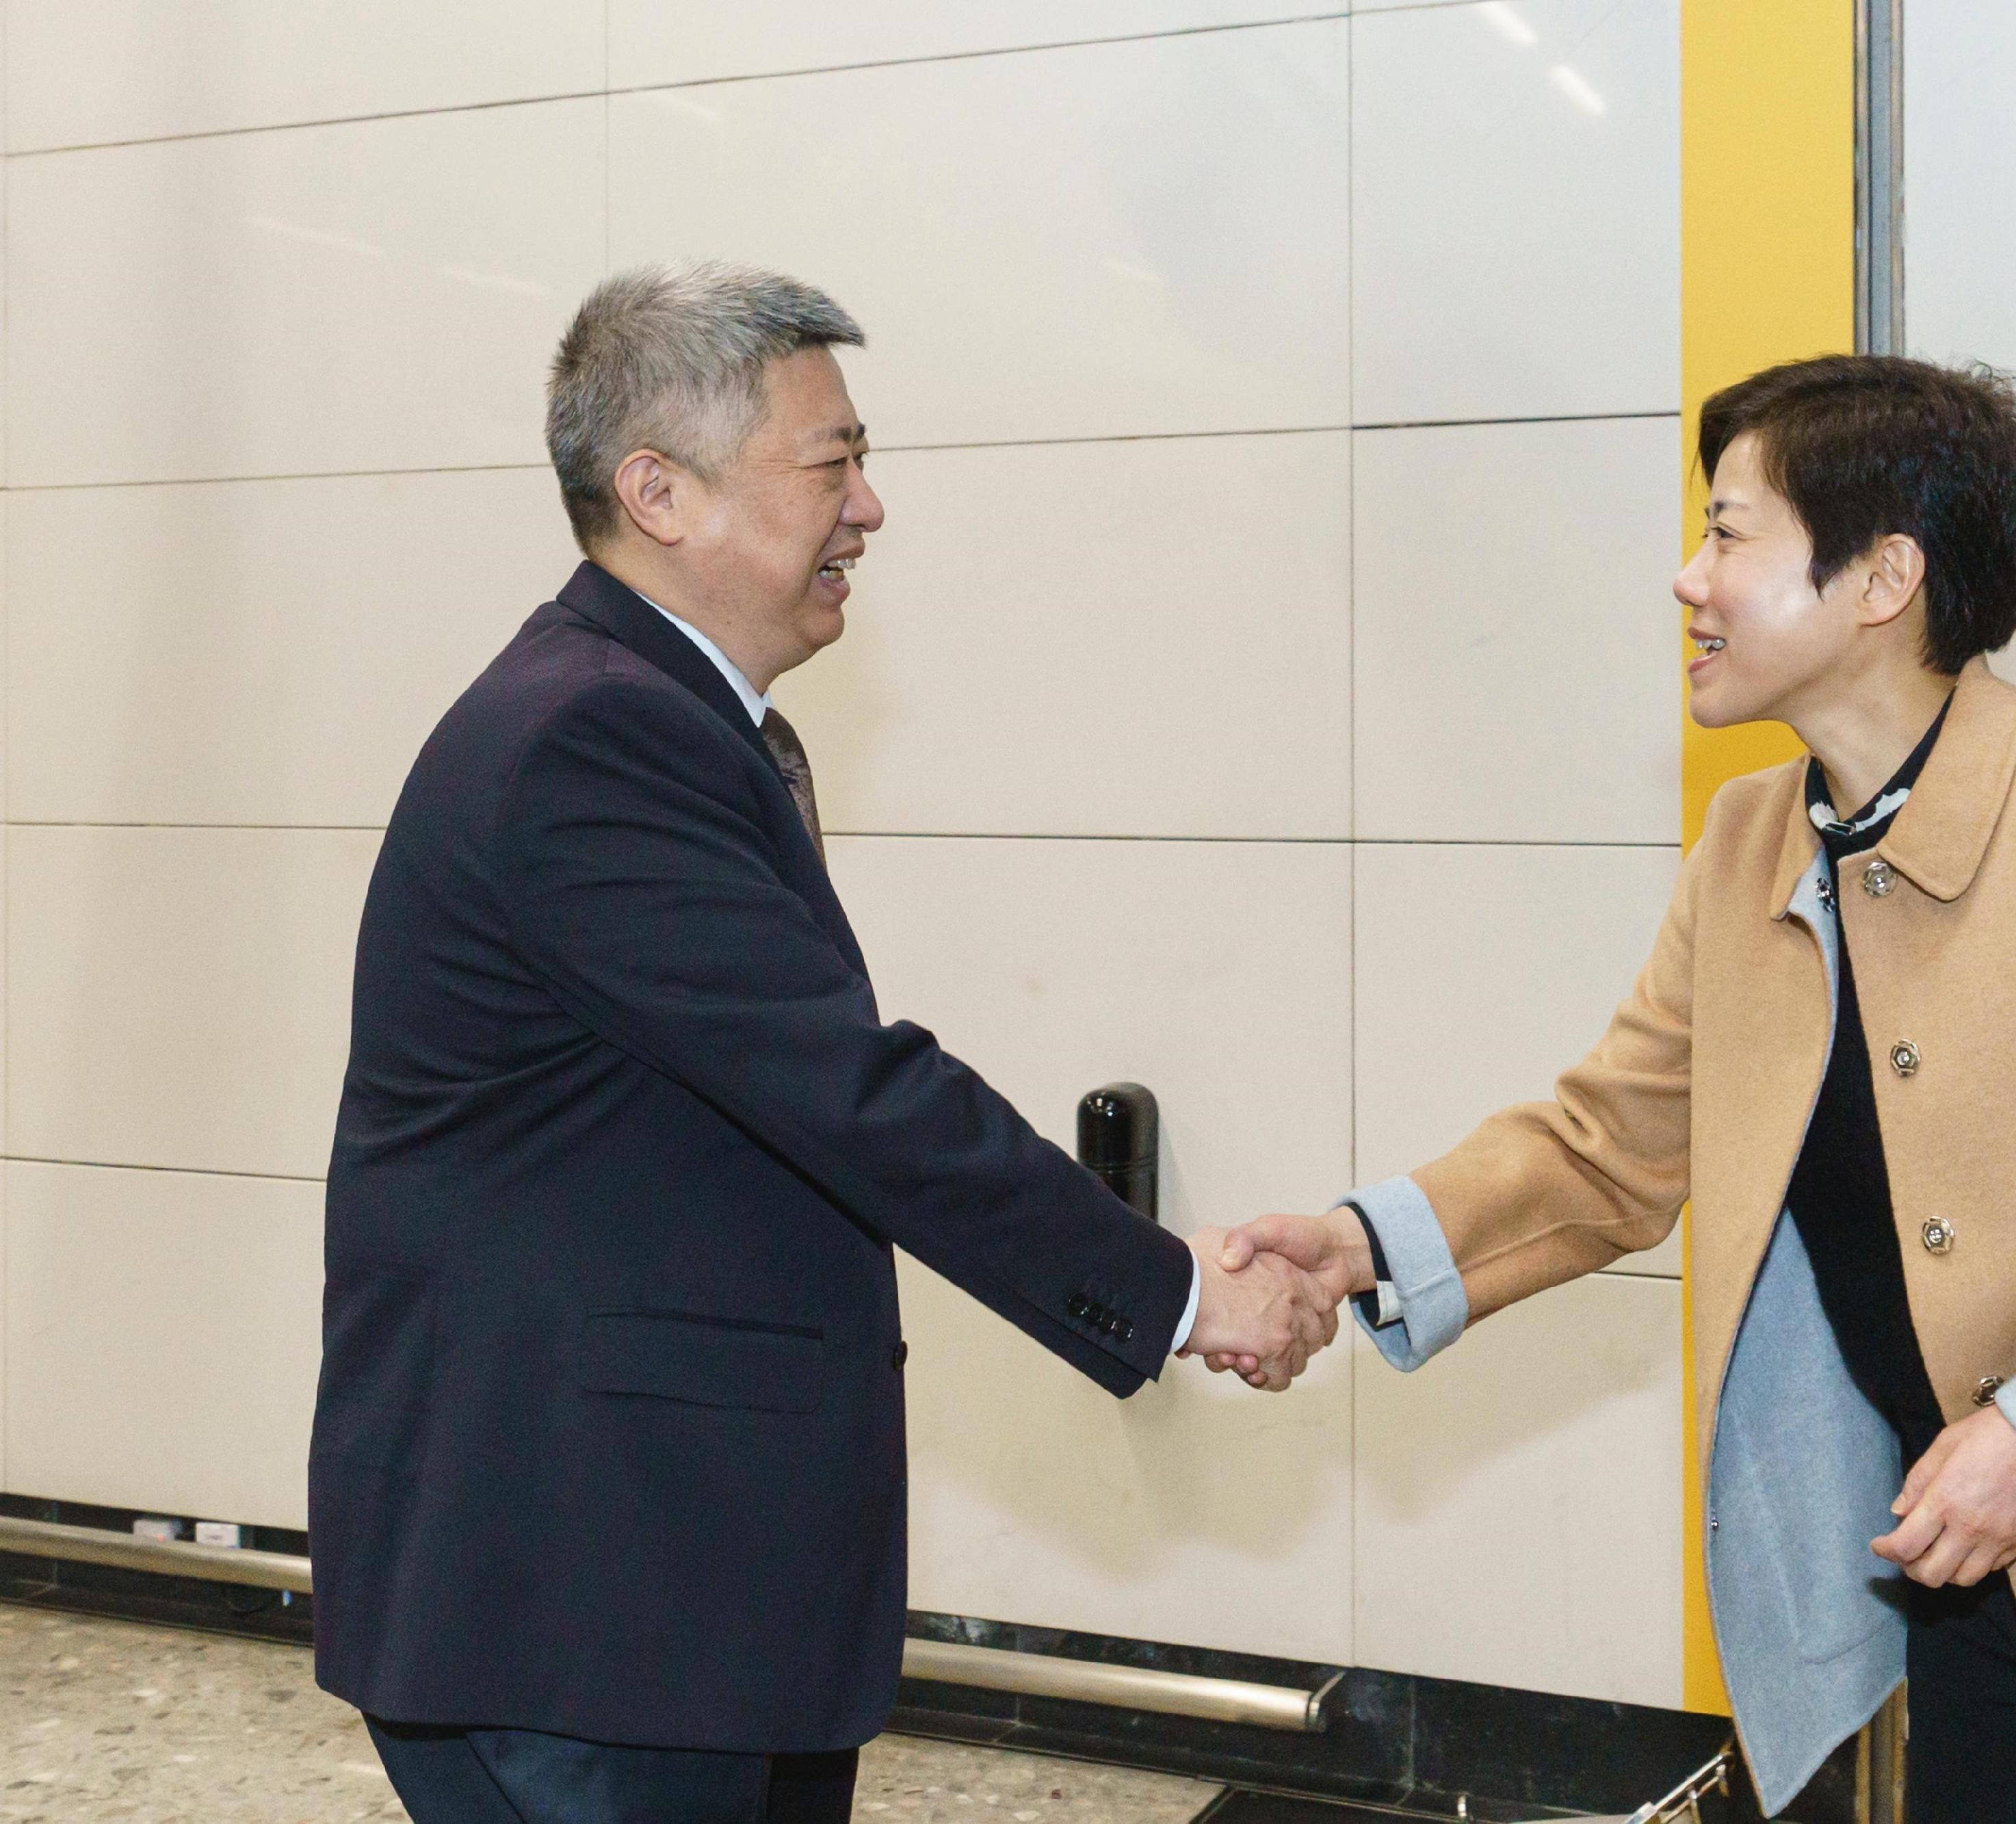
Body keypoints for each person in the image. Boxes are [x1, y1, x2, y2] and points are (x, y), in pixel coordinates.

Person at [1220, 356, 2016, 1824]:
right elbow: (1607, 1143)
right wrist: (1360, 1245)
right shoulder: (1753, 842)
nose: (1685, 576)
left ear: (1881, 576)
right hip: (1969, 1611)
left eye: (1728, 532)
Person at [309, 263, 1334, 1824]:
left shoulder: (648, 713)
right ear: (658, 491)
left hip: (671, 1603)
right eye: (830, 462)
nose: (870, 507)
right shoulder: (593, 736)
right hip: (587, 1614)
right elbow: (856, 1094)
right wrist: (1178, 1290)